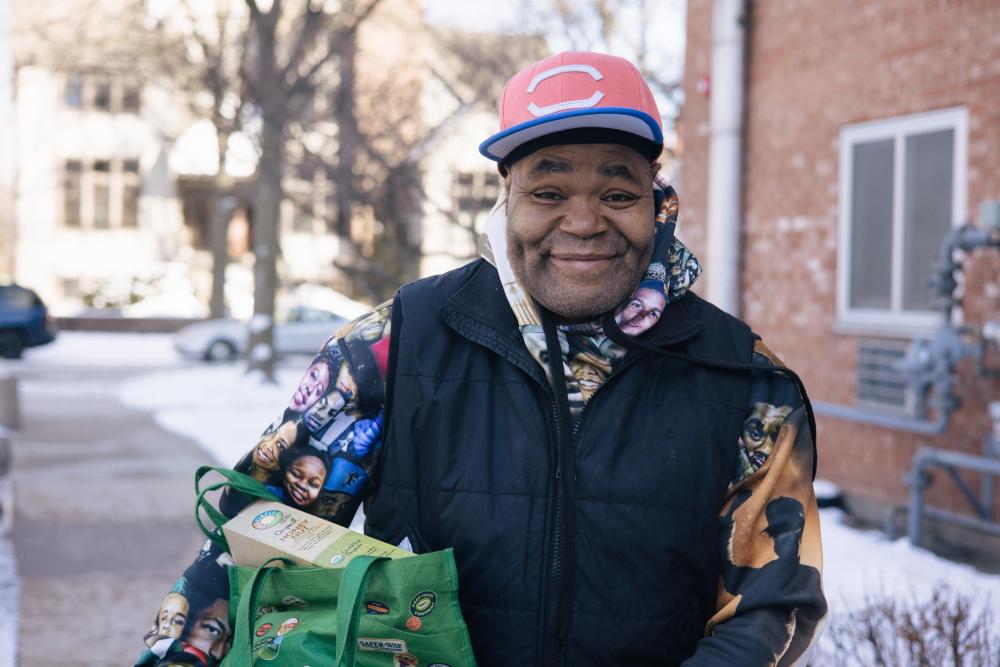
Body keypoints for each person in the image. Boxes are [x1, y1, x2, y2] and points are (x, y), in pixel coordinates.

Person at [138, 51, 826, 666]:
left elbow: (773, 606)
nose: (584, 222)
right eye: (548, 191)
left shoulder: (747, 383)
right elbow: (262, 535)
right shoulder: (395, 344)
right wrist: (181, 651)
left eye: (616, 193)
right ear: (507, 195)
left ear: (657, 199)